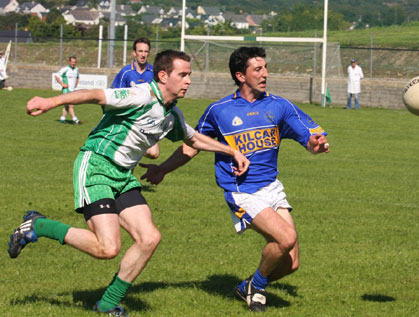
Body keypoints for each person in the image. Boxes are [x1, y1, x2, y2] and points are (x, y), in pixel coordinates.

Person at [8, 49, 250, 316]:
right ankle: (38, 225)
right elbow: (96, 95)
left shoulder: (172, 114)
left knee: (149, 238)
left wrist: (232, 151)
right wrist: (51, 101)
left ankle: (108, 303)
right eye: (182, 75)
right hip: (97, 167)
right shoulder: (141, 95)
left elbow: (194, 140)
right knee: (107, 248)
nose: (188, 81)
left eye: (189, 75)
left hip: (123, 177)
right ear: (163, 75)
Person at [141, 47, 330, 312]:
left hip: (272, 188)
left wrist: (316, 145)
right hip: (241, 191)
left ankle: (248, 287)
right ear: (241, 75)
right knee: (285, 239)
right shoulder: (219, 110)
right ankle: (257, 287)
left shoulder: (279, 105)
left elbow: (309, 137)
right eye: (258, 69)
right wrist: (162, 169)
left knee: (291, 263)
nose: (265, 74)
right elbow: (192, 145)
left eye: (265, 68)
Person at [110, 37, 159, 159]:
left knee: (154, 153)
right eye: (140, 51)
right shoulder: (126, 72)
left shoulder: (153, 72)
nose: (143, 55)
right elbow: (115, 96)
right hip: (129, 120)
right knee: (128, 163)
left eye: (146, 52)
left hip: (146, 120)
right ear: (134, 53)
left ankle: (129, 147)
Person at [55, 55, 81, 124]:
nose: (73, 63)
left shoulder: (76, 69)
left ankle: (62, 119)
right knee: (71, 105)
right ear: (69, 62)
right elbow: (57, 76)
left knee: (66, 106)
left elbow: (78, 77)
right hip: (66, 90)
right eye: (72, 62)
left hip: (72, 90)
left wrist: (76, 84)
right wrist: (62, 84)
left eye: (74, 62)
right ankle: (75, 119)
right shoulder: (65, 69)